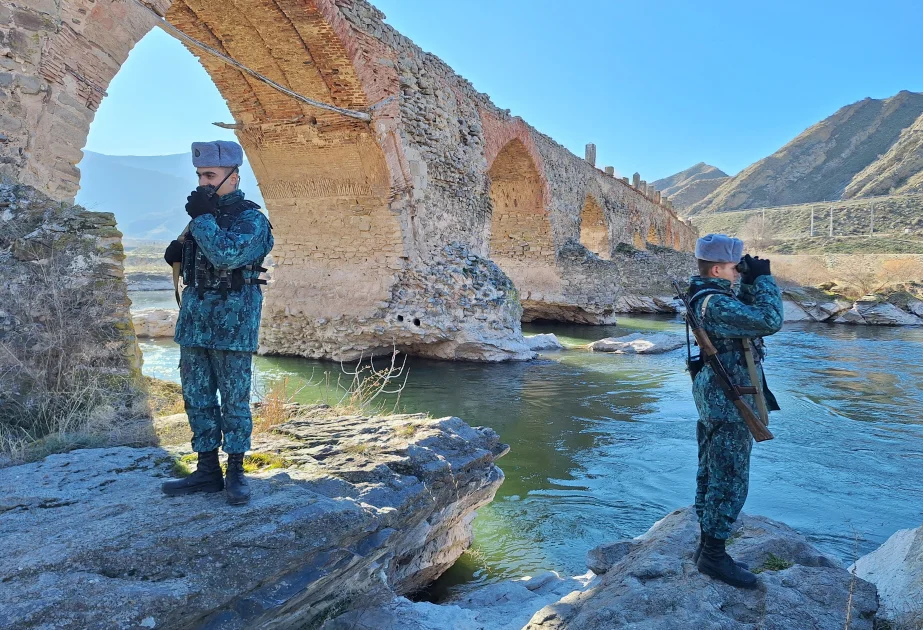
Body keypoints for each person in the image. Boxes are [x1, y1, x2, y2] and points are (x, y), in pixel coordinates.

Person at [160, 140, 273, 506]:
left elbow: (226, 255)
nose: (203, 182)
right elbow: (199, 261)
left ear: (234, 176)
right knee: (197, 398)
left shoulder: (253, 220)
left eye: (210, 175)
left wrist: (202, 218)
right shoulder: (200, 218)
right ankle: (207, 470)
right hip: (195, 323)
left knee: (235, 401)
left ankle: (236, 471)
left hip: (233, 326)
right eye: (199, 175)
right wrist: (178, 254)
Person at [687, 233, 783, 588]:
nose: (737, 271)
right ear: (716, 268)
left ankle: (706, 549)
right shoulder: (716, 303)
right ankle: (714, 556)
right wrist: (763, 280)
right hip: (728, 400)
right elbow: (769, 320)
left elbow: (743, 317)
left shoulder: (710, 296)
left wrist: (744, 281)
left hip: (718, 395)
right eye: (732, 267)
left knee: (711, 471)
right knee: (728, 476)